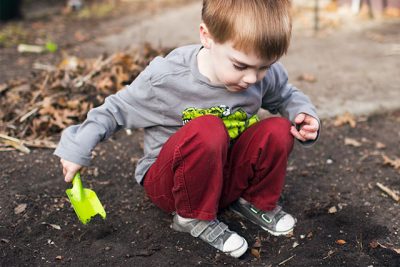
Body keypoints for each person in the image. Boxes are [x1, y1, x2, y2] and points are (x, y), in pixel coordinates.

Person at [55, 0, 320, 258]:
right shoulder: (167, 78)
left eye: (264, 67)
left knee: (278, 129)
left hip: (223, 176)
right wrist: (78, 146)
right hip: (171, 184)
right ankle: (191, 217)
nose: (252, 78)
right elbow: (116, 110)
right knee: (208, 129)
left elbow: (285, 96)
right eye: (240, 66)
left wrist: (303, 115)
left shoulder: (259, 73)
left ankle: (253, 200)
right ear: (207, 36)